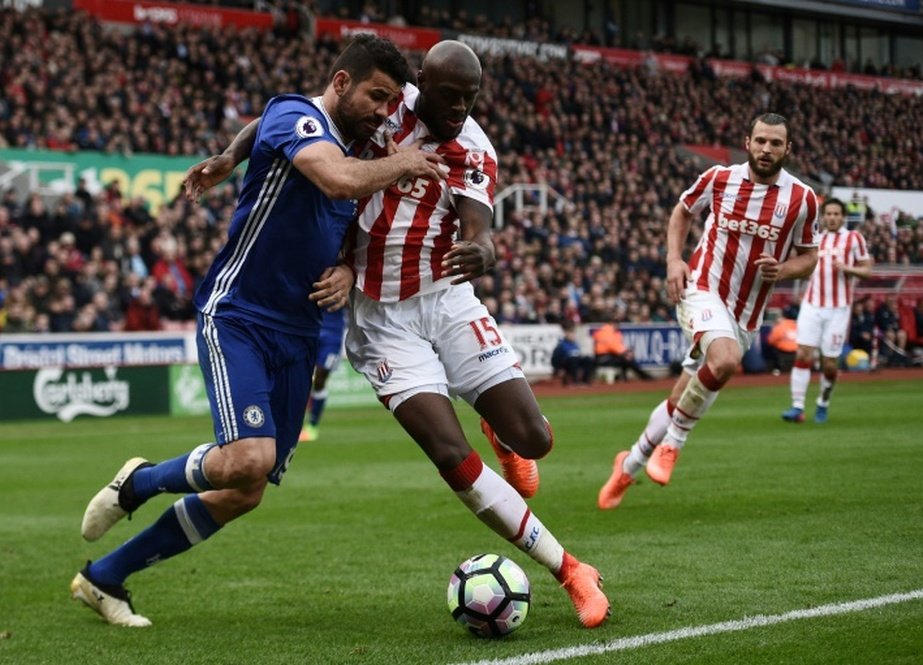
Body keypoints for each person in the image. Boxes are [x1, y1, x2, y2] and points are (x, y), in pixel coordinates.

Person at [195, 40, 612, 628]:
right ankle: (570, 569)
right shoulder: (384, 105)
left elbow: (478, 222)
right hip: (380, 321)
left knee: (535, 439)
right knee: (447, 452)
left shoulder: (474, 148)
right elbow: (277, 120)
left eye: (471, 98)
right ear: (422, 84)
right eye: (449, 96)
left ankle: (497, 423)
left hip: (444, 299)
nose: (460, 108)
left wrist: (484, 248)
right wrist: (227, 157)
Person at [71, 35, 446, 628]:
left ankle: (104, 577)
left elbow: (344, 218)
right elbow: (334, 177)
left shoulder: (354, 143)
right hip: (239, 314)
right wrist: (406, 161)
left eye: (391, 101)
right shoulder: (300, 117)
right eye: (377, 96)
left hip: (298, 334)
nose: (383, 111)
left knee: (245, 489)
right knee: (247, 457)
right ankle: (140, 482)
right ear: (342, 82)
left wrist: (347, 268)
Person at [598, 113, 820, 510]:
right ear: (747, 141)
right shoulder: (719, 178)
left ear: (789, 149)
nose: (766, 149)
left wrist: (782, 270)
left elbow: (809, 257)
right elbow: (682, 212)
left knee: (685, 393)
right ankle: (673, 445)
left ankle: (628, 465)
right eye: (760, 141)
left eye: (775, 143)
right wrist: (673, 260)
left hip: (745, 315)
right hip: (700, 287)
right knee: (726, 359)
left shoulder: (802, 199)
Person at [782, 198, 873, 424]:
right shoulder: (815, 239)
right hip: (812, 305)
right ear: (823, 216)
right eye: (828, 214)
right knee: (803, 353)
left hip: (838, 309)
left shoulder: (854, 239)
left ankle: (823, 402)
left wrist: (847, 268)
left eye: (835, 214)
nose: (831, 217)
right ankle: (797, 407)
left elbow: (868, 270)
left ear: (842, 217)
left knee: (830, 363)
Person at [298, 306, 347, 442]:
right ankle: (295, 426)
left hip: (332, 335)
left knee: (320, 380)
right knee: (300, 379)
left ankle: (312, 426)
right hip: (309, 329)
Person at [551, 319, 595, 385]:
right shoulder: (561, 345)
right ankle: (575, 381)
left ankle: (585, 381)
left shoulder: (576, 344)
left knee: (588, 359)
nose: (573, 335)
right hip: (567, 364)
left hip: (575, 363)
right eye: (571, 333)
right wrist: (558, 369)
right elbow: (555, 359)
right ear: (566, 334)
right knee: (573, 359)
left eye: (573, 333)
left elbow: (579, 355)